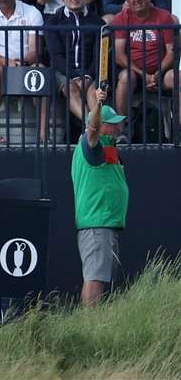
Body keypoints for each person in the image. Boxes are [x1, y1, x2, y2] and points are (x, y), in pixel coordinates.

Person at [72, 86, 127, 307]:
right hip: (96, 223)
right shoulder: (89, 145)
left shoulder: (107, 147)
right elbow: (91, 129)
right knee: (94, 278)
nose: (117, 127)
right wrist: (97, 105)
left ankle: (95, 323)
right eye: (112, 123)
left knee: (100, 277)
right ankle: (90, 325)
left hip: (105, 223)